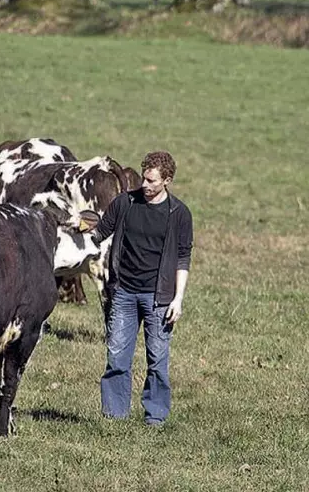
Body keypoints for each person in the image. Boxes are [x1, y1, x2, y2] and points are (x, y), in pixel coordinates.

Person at [91, 151, 193, 426]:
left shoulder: (179, 214)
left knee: (158, 361)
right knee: (116, 358)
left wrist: (178, 299)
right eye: (144, 178)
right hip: (123, 291)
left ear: (167, 181)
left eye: (151, 181)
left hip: (159, 297)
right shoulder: (125, 203)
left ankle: (155, 417)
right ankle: (114, 417)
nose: (145, 185)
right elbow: (99, 233)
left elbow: (183, 258)